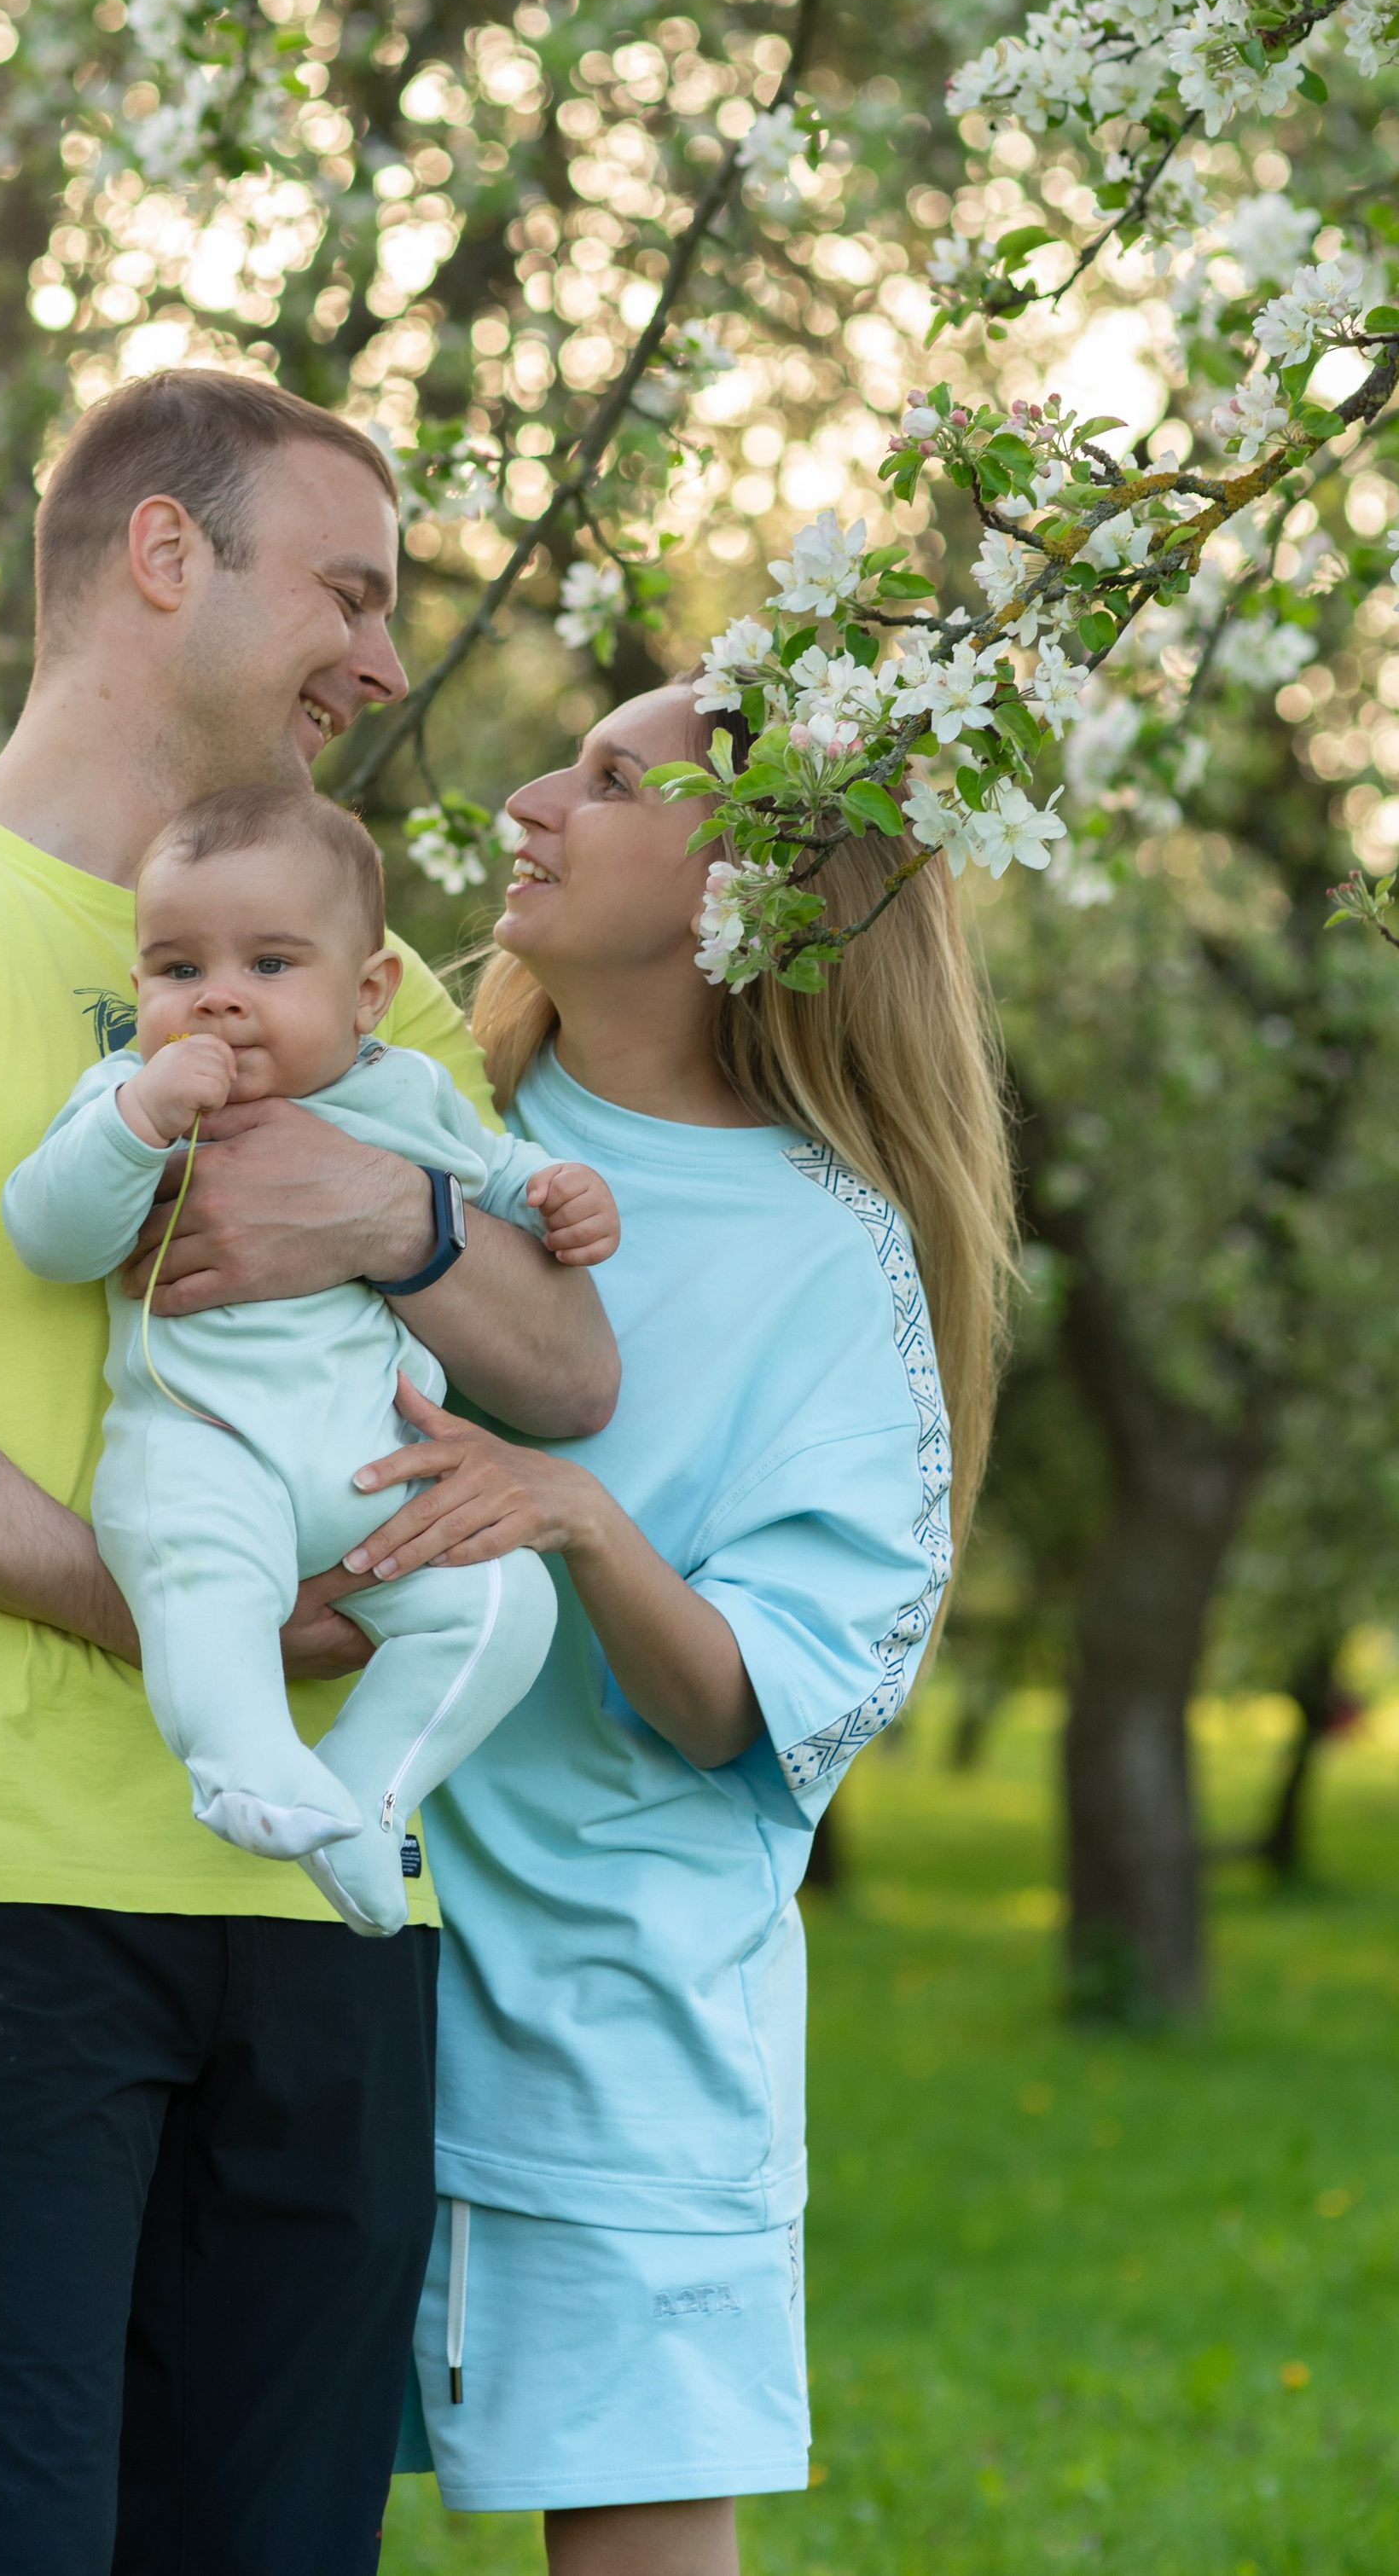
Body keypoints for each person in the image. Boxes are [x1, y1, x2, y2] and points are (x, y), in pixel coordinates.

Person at [0, 367, 616, 2576]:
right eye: (349, 591)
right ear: (165, 557)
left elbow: (569, 1371)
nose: (387, 661)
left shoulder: (355, 995)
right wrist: (162, 1597)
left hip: (342, 1916)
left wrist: (386, 1225)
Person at [345, 682, 1015, 2574]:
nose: (530, 797)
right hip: (305, 1957)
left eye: (612, 780)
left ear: (754, 894)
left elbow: (759, 1697)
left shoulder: (831, 1256)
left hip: (609, 2037)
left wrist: (576, 1515)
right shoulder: (414, 1106)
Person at [2, 779, 615, 1935]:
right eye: (179, 971)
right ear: (140, 988)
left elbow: (491, 1179)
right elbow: (48, 1235)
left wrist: (557, 1193)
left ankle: (371, 1793)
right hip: (204, 1443)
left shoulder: (405, 1092)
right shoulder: (121, 1100)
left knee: (504, 1603)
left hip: (374, 1471)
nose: (219, 1001)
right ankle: (241, 1761)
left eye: (270, 967)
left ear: (368, 991)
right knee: (204, 1589)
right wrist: (136, 1122)